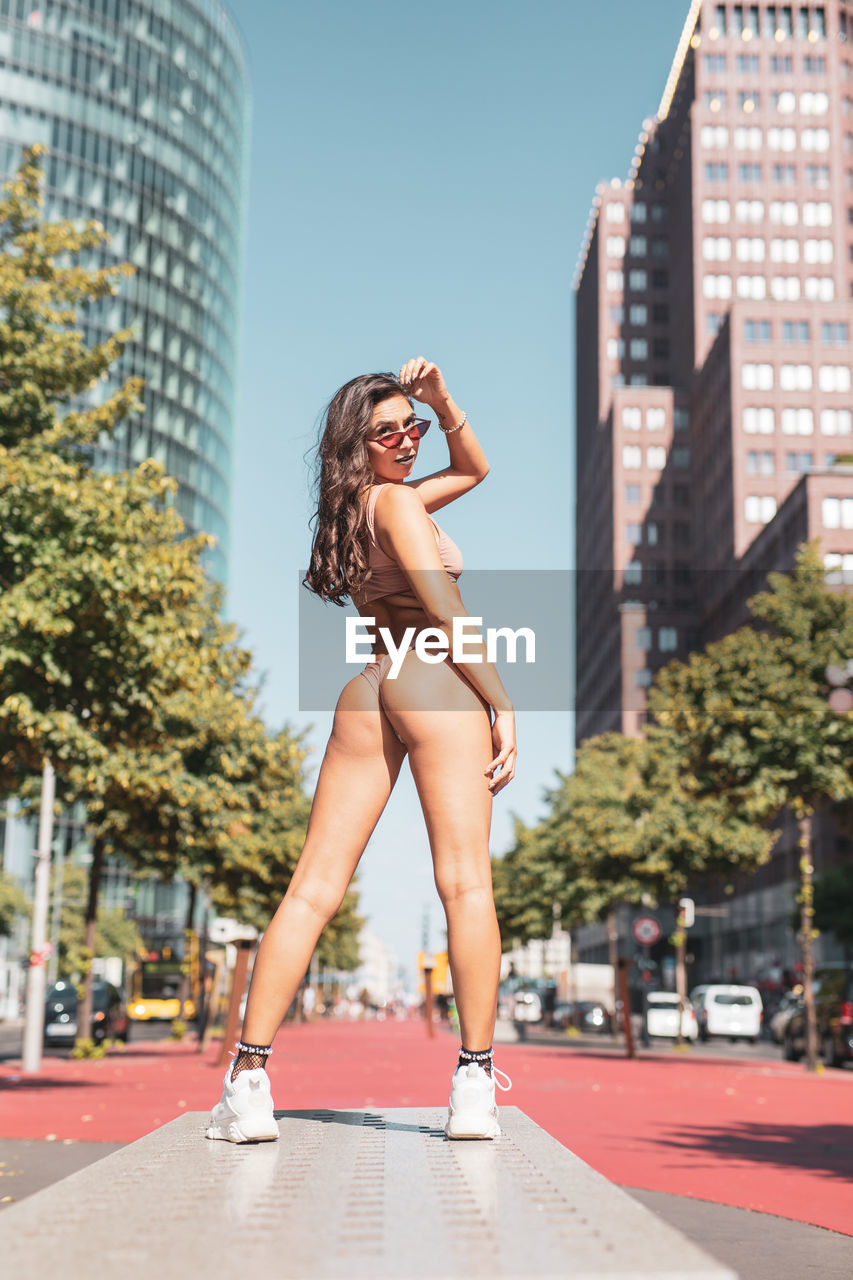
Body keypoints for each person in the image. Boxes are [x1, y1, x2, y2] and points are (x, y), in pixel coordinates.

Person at [205, 357, 516, 1144]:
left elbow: (474, 467)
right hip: (434, 678)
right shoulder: (399, 509)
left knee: (311, 889)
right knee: (466, 884)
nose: (408, 440)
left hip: (370, 685)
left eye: (412, 427)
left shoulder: (354, 508)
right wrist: (501, 700)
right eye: (390, 431)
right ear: (359, 443)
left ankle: (247, 1081)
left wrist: (443, 402)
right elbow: (444, 611)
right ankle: (475, 1082)